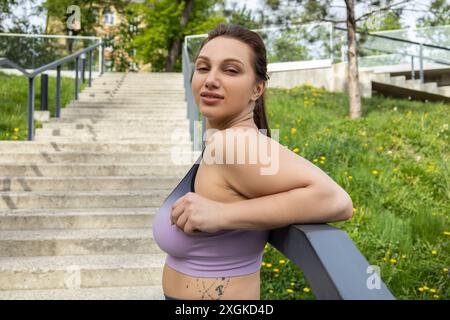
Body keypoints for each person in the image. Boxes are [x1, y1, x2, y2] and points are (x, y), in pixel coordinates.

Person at [152, 23, 354, 300]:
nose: (211, 79)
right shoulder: (221, 141)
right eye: (202, 67)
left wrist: (221, 215)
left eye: (230, 70)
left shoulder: (234, 143)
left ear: (257, 89)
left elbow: (336, 201)